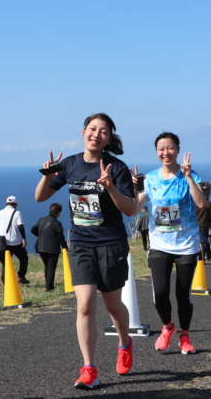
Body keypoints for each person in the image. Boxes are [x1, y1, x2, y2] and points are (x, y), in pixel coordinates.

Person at [34, 112, 136, 389]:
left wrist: (111, 187)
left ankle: (125, 342)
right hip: (80, 243)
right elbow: (40, 196)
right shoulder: (70, 165)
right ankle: (89, 367)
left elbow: (130, 209)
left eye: (103, 131)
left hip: (110, 243)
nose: (96, 135)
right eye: (92, 129)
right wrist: (46, 176)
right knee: (85, 305)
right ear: (83, 132)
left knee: (113, 305)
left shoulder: (117, 167)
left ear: (108, 138)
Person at [132, 132, 207, 356]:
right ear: (157, 152)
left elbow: (201, 203)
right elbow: (135, 208)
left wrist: (189, 177)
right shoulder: (151, 179)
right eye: (161, 149)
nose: (166, 152)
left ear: (177, 149)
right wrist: (133, 189)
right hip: (159, 244)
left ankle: (184, 335)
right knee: (161, 293)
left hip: (186, 244)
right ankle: (167, 326)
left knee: (182, 295)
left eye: (170, 148)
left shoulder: (190, 175)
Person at [31, 203, 68, 291]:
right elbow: (60, 238)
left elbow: (33, 230)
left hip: (40, 247)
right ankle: (49, 287)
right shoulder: (57, 223)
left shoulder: (41, 220)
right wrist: (65, 247)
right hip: (52, 248)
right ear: (58, 213)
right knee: (51, 267)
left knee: (47, 266)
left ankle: (48, 283)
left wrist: (40, 235)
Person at [0, 195, 29, 284]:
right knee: (23, 258)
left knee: (5, 262)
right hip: (15, 242)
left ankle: (5, 281)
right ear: (15, 204)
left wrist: (1, 236)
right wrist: (24, 239)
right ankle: (21, 276)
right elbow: (20, 226)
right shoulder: (17, 213)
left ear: (6, 203)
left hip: (3, 242)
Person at [196, 181, 211, 261]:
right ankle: (203, 257)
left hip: (196, 224)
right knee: (203, 240)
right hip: (204, 224)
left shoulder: (195, 202)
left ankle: (206, 255)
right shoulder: (208, 203)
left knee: (202, 240)